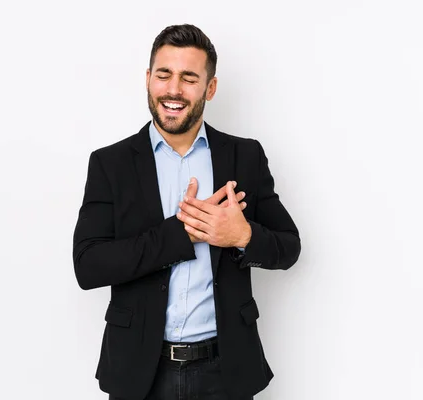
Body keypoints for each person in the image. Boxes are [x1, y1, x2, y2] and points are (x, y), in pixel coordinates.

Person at [73, 24, 301, 400]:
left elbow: (289, 248)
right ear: (149, 80)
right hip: (139, 373)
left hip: (226, 371)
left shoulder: (244, 157)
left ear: (210, 88)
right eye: (164, 75)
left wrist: (243, 237)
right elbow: (88, 265)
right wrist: (182, 234)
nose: (174, 89)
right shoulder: (110, 164)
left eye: (189, 78)